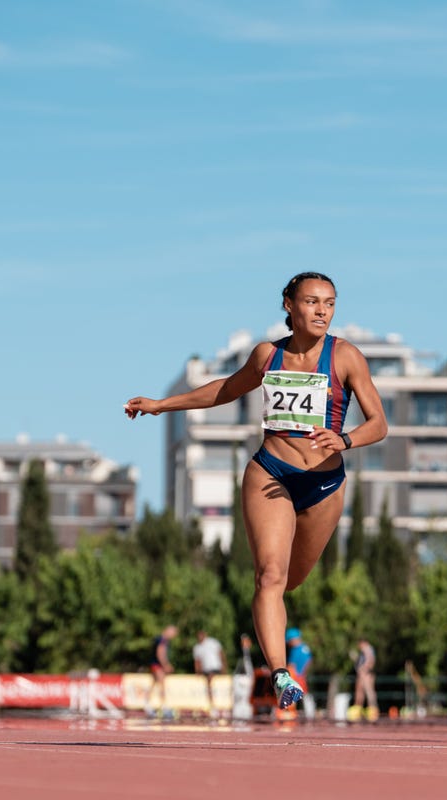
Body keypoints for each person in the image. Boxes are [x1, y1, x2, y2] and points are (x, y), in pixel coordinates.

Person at [125, 273, 387, 710]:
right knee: (269, 575)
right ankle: (281, 673)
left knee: (292, 579)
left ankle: (279, 638)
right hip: (271, 473)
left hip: (323, 481)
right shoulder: (267, 355)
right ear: (289, 305)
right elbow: (225, 389)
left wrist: (345, 439)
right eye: (312, 301)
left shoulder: (346, 357)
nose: (322, 311)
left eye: (330, 303)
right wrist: (159, 404)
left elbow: (379, 423)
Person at [145, 624, 178, 719]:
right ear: (168, 631)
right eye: (173, 633)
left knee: (153, 684)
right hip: (157, 665)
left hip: (153, 663)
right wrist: (165, 664)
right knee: (162, 684)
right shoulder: (163, 640)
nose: (173, 636)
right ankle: (164, 707)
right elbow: (160, 652)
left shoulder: (157, 638)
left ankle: (147, 704)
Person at [192, 630, 227, 718]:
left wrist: (224, 666)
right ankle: (212, 704)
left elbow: (221, 654)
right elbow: (197, 661)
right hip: (206, 669)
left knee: (211, 680)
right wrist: (197, 672)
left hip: (216, 667)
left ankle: (216, 704)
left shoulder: (213, 642)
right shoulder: (197, 647)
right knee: (209, 682)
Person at [285, 627, 316, 718]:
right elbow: (309, 661)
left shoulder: (297, 649)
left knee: (301, 694)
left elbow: (292, 665)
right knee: (303, 694)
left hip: (297, 675)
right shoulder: (304, 648)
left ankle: (308, 713)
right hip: (298, 675)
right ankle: (309, 712)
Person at [350, 637, 378, 721]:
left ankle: (372, 712)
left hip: (365, 674)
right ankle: (358, 712)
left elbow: (371, 661)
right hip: (362, 674)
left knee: (369, 692)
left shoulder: (368, 649)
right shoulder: (365, 650)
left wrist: (364, 669)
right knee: (360, 693)